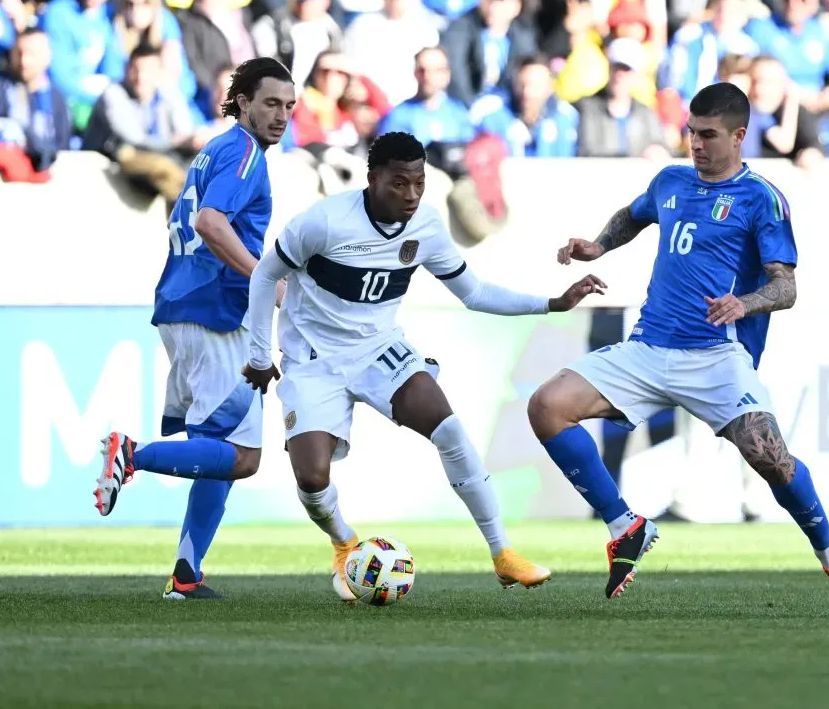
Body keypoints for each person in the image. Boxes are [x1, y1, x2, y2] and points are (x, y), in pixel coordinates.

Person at [525, 82, 829, 609]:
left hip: (716, 356)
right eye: (691, 132)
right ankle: (626, 527)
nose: (696, 143)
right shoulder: (671, 180)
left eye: (708, 134)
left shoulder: (762, 198)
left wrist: (745, 303)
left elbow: (787, 287)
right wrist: (598, 245)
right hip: (648, 346)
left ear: (738, 136)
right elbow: (634, 214)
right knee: (546, 407)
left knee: (771, 459)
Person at [240, 131, 605, 601]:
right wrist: (258, 353)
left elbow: (474, 292)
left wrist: (552, 302)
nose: (411, 195)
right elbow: (264, 274)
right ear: (372, 179)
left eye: (419, 183)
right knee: (312, 479)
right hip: (313, 361)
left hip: (380, 351)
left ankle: (503, 554)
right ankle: (343, 541)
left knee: (449, 429)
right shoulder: (323, 223)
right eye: (399, 183)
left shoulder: (427, 227)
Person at [93, 57, 297, 600]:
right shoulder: (245, 153)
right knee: (243, 457)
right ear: (245, 102)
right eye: (271, 103)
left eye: (290, 106)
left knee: (215, 446)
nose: (282, 116)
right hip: (218, 313)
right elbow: (210, 222)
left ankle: (186, 575)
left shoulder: (214, 149)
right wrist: (265, 279)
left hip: (184, 303)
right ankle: (129, 453)